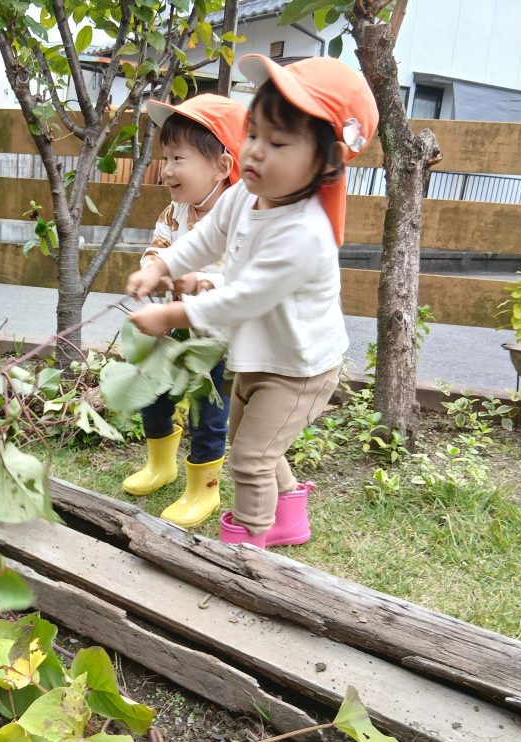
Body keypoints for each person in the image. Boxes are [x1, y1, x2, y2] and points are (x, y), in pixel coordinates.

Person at [125, 54, 378, 547]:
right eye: (254, 135)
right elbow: (207, 239)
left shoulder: (305, 232)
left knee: (250, 459)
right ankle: (290, 520)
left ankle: (246, 550)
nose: (256, 152)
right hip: (261, 356)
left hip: (298, 370)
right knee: (254, 443)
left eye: (278, 143)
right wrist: (162, 265)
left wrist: (172, 313)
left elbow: (242, 299)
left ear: (327, 161)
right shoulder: (244, 195)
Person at [122, 94, 247, 529]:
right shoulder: (174, 211)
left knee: (208, 411)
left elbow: (243, 281)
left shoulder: (242, 218)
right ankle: (160, 464)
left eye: (179, 158)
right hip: (174, 329)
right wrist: (151, 271)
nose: (167, 170)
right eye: (165, 158)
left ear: (222, 165)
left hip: (219, 341)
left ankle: (203, 488)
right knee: (154, 393)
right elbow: (157, 248)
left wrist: (198, 282)